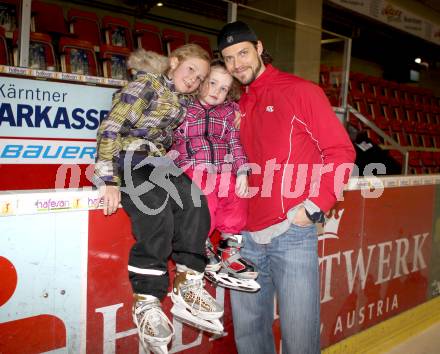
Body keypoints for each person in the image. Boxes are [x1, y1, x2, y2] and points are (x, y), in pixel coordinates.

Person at [217, 21, 356, 354]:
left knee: (299, 335)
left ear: (260, 48)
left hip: (290, 232)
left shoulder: (299, 91)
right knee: (249, 335)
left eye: (243, 53)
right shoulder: (237, 105)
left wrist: (314, 206)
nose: (238, 64)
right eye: (229, 58)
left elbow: (340, 152)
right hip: (244, 238)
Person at [94, 45, 223, 354]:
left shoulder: (182, 100)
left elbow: (209, 114)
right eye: (190, 69)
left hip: (157, 161)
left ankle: (188, 281)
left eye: (201, 76)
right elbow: (111, 127)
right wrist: (108, 180)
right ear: (174, 62)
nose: (194, 79)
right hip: (129, 157)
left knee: (194, 201)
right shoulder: (147, 83)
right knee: (155, 210)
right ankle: (147, 300)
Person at [171, 60, 259, 292]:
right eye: (212, 83)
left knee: (238, 197)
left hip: (224, 167)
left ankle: (228, 249)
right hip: (193, 166)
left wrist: (241, 171)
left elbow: (234, 142)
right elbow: (173, 138)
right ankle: (199, 244)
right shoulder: (183, 107)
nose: (216, 91)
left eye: (223, 88)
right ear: (201, 82)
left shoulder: (229, 112)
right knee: (204, 198)